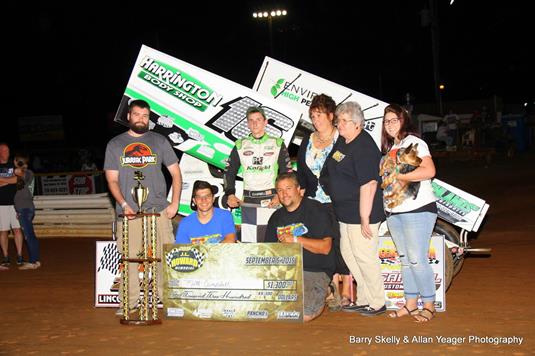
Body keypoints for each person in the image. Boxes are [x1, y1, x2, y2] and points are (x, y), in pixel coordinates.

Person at [104, 99, 182, 314]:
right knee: (129, 258)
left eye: (145, 116)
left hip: (158, 209)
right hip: (129, 212)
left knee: (162, 256)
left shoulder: (159, 141)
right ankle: (129, 302)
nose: (141, 119)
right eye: (137, 115)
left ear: (149, 118)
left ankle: (164, 298)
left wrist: (174, 202)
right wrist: (123, 203)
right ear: (129, 116)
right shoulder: (115, 144)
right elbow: (111, 180)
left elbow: (176, 173)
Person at [323, 101, 386, 316]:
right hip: (344, 213)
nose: (339, 125)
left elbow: (369, 184)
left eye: (343, 121)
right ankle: (364, 297)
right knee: (350, 255)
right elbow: (331, 166)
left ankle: (378, 302)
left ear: (357, 124)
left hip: (362, 213)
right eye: (338, 120)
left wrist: (364, 217)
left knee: (365, 256)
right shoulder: (343, 140)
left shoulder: (364, 146)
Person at [381, 104, 438, 322]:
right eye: (386, 121)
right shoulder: (389, 149)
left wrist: (399, 176)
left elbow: (429, 171)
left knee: (416, 259)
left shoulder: (415, 143)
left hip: (418, 209)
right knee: (405, 260)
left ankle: (429, 304)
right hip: (394, 211)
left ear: (404, 120)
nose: (390, 124)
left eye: (394, 119)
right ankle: (410, 304)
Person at [296, 94, 352, 311]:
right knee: (321, 245)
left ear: (331, 115)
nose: (316, 119)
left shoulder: (342, 139)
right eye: (313, 115)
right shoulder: (307, 140)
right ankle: (330, 287)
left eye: (320, 115)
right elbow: (302, 173)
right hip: (313, 202)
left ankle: (347, 288)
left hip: (336, 200)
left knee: (340, 244)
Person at [265, 172, 335, 322]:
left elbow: (326, 247)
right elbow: (269, 251)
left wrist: (296, 239)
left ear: (298, 189)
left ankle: (327, 289)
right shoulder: (276, 217)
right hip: (286, 272)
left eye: (288, 188)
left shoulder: (316, 209)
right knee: (262, 309)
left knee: (302, 315)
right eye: (280, 190)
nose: (284, 194)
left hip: (313, 270)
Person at [223, 106, 292, 242]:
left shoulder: (277, 143)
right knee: (251, 241)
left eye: (258, 120)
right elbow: (229, 172)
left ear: (265, 122)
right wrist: (230, 193)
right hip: (249, 200)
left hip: (273, 198)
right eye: (251, 120)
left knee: (275, 239)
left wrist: (280, 194)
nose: (255, 123)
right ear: (248, 124)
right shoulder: (240, 145)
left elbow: (286, 173)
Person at [175, 180, 236, 244]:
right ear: (194, 201)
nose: (204, 200)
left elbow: (230, 241)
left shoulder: (225, 216)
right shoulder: (185, 223)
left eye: (207, 196)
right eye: (199, 197)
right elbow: (181, 248)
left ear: (213, 198)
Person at [14, 152, 41, 270]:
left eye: (15, 160)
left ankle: (33, 261)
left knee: (29, 236)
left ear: (18, 162)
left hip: (25, 208)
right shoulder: (26, 173)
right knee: (30, 235)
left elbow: (19, 174)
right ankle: (35, 260)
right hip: (25, 208)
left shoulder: (27, 173)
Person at [0, 143, 25, 269]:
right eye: (4, 150)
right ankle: (6, 257)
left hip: (15, 203)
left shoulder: (13, 163)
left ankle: (20, 256)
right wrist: (11, 178)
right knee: (3, 231)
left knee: (17, 229)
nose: (6, 152)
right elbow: (14, 178)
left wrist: (3, 180)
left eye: (7, 150)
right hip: (1, 204)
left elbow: (18, 178)